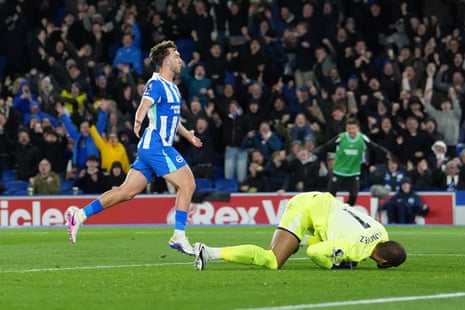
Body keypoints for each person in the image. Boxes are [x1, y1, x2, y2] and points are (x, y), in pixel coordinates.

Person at [65, 40, 203, 256]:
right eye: (176, 55)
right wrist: (138, 121)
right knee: (188, 184)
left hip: (153, 148)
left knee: (126, 192)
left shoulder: (174, 88)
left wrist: (188, 136)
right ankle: (179, 236)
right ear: (166, 61)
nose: (180, 59)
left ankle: (79, 215)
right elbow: (144, 105)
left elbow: (173, 120)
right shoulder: (155, 83)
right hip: (156, 145)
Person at [194, 191, 407, 270]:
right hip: (304, 209)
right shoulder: (352, 248)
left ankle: (298, 240)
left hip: (323, 205)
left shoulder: (381, 231)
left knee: (327, 246)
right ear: (383, 262)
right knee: (272, 260)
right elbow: (315, 254)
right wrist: (332, 266)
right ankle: (210, 253)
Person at [313, 118, 390, 206]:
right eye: (349, 128)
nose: (351, 131)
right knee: (330, 196)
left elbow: (375, 147)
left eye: (353, 128)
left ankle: (345, 211)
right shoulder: (341, 137)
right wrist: (316, 152)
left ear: (357, 128)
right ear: (346, 128)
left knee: (353, 196)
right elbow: (327, 146)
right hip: (339, 171)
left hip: (353, 173)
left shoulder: (362, 138)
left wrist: (386, 153)